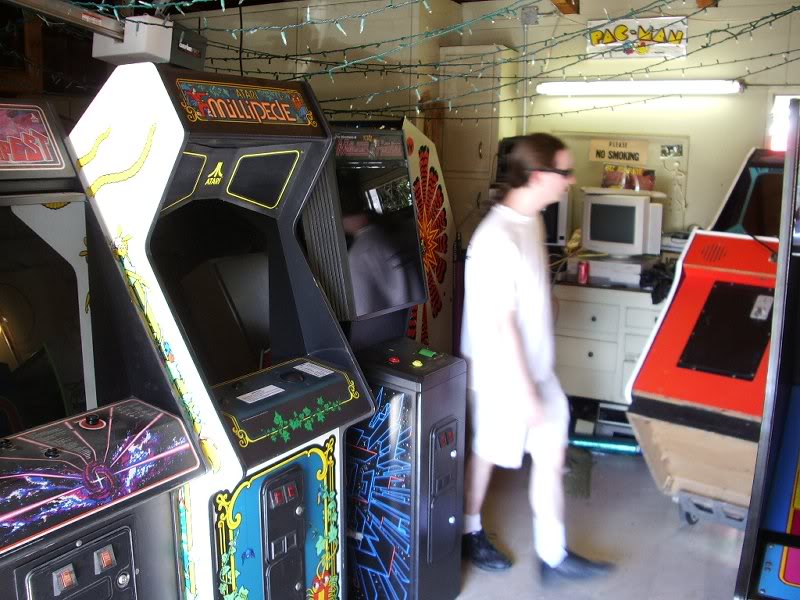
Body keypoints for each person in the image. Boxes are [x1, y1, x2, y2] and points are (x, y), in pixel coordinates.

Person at [460, 133, 613, 585]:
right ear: (539, 176)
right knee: (487, 454)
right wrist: (526, 392)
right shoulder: (494, 238)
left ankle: (553, 552)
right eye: (564, 173)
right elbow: (501, 325)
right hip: (502, 377)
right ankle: (469, 531)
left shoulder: (532, 221)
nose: (570, 181)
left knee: (550, 453)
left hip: (536, 371)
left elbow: (530, 287)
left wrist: (546, 303)